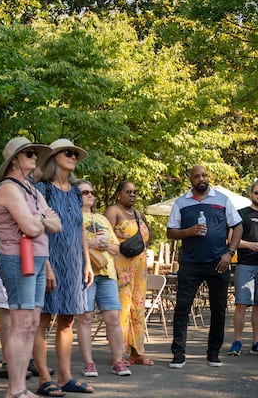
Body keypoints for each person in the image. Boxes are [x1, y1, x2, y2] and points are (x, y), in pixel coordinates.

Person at [0, 137, 61, 398]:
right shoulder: (8, 188)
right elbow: (33, 227)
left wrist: (39, 218)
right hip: (18, 259)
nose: (35, 158)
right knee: (22, 324)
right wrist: (42, 218)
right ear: (15, 160)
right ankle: (15, 390)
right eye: (30, 154)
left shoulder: (32, 189)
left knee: (32, 324)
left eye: (35, 154)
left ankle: (21, 387)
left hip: (39, 259)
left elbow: (57, 225)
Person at [166, 165, 243, 369]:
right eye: (197, 176)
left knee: (219, 309)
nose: (202, 178)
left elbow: (237, 226)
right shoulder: (181, 202)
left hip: (219, 262)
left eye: (205, 175)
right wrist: (188, 231)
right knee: (182, 308)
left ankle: (213, 352)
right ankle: (179, 352)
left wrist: (230, 253)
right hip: (190, 263)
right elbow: (171, 232)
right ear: (190, 180)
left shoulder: (222, 200)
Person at [34, 139, 95, 394]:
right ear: (53, 157)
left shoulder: (74, 191)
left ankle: (65, 376)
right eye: (67, 153)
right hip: (50, 260)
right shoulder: (41, 189)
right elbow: (36, 229)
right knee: (43, 320)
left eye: (75, 154)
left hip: (74, 263)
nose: (73, 157)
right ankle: (43, 378)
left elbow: (80, 227)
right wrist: (46, 265)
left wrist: (87, 262)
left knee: (68, 320)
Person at [75, 180, 131, 377]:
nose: (90, 195)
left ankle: (118, 361)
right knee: (85, 317)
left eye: (92, 191)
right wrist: (90, 243)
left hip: (107, 273)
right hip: (84, 272)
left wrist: (105, 244)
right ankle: (89, 363)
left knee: (113, 318)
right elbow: (68, 244)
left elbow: (117, 249)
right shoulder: (72, 217)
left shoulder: (102, 219)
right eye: (84, 192)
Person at [104, 180, 154, 367]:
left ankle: (137, 352)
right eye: (128, 191)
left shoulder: (139, 214)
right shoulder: (112, 211)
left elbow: (146, 238)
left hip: (140, 267)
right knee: (122, 309)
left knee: (138, 308)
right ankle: (120, 354)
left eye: (135, 191)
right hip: (121, 266)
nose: (132, 194)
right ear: (119, 194)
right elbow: (105, 238)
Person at [227, 182, 258, 357]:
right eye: (257, 192)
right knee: (241, 304)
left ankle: (257, 342)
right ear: (251, 194)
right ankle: (237, 341)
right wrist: (250, 245)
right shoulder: (242, 214)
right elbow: (230, 240)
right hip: (245, 264)